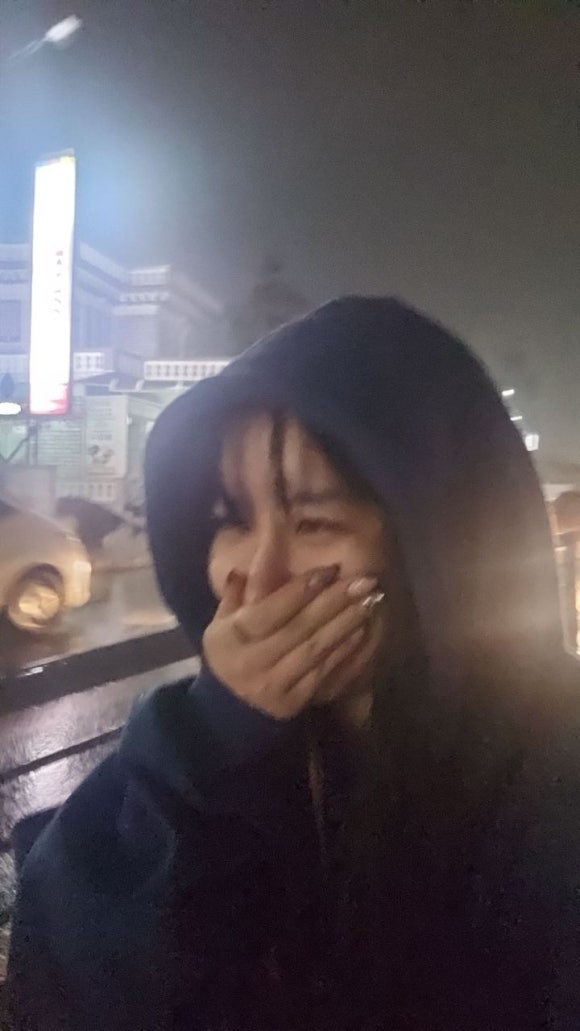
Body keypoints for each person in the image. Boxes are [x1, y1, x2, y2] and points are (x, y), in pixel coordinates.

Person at [6, 297, 580, 1030]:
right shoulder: (207, 751)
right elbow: (71, 975)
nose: (261, 572)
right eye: (230, 521)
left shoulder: (549, 781)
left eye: (314, 522)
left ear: (440, 546)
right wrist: (205, 748)